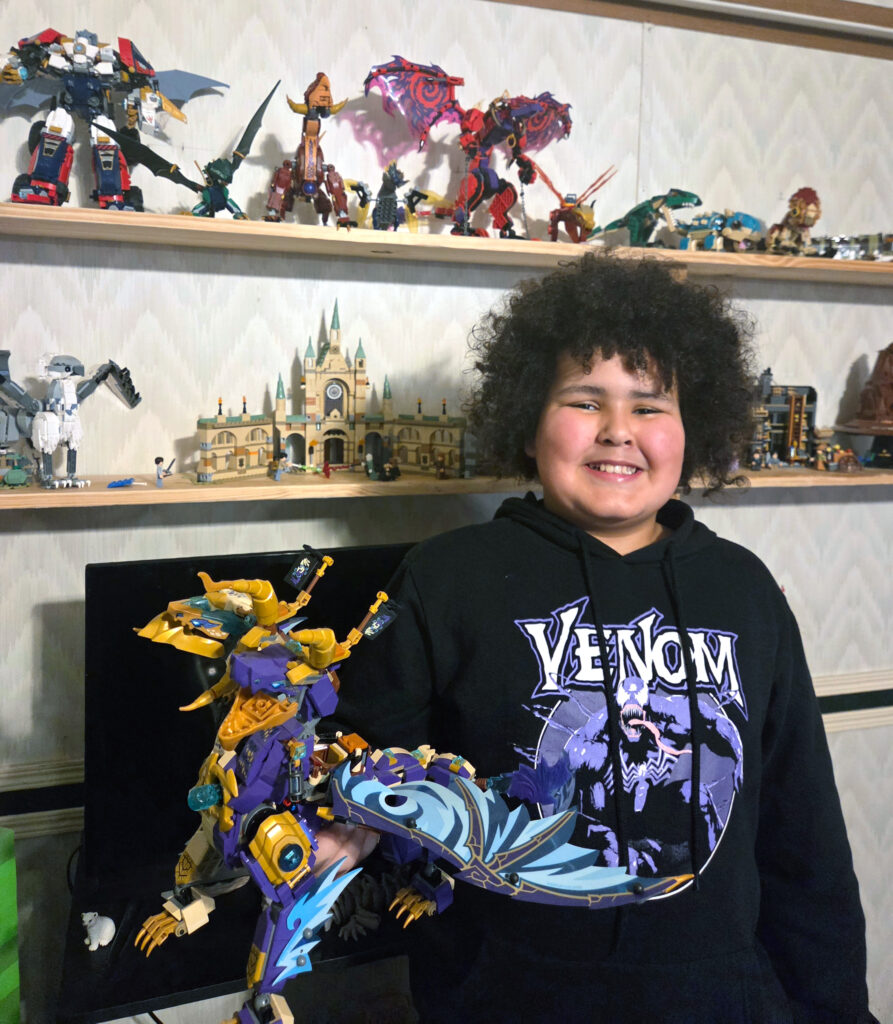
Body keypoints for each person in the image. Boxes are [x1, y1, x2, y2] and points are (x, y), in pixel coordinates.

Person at [324, 252, 874, 1023]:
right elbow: (368, 772)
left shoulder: (742, 589)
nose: (618, 430)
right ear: (527, 420)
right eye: (584, 401)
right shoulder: (445, 578)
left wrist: (835, 1009)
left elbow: (803, 834)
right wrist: (337, 817)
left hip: (721, 999)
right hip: (503, 999)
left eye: (649, 406)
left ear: (692, 428)